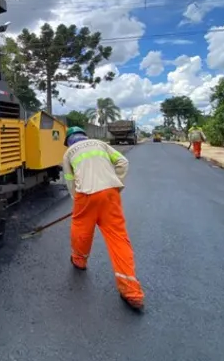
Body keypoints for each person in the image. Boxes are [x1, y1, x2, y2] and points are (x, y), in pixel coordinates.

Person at [61, 126, 145, 311]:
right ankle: (132, 292)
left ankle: (79, 260)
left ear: (69, 141)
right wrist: (116, 185)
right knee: (118, 238)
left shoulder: (68, 153)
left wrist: (78, 200)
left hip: (86, 195)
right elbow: (123, 162)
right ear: (84, 136)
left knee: (81, 229)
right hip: (110, 194)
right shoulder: (101, 144)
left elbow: (69, 179)